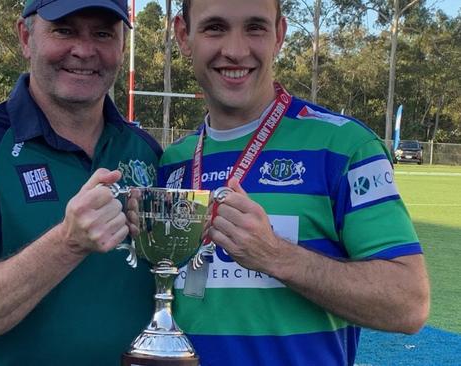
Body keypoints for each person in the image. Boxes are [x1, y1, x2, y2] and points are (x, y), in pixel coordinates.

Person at [157, 0, 431, 364]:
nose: (236, 50)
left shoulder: (344, 146)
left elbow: (408, 304)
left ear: (279, 35)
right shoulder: (173, 162)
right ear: (183, 36)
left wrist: (275, 256)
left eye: (255, 27)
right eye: (215, 27)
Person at [0, 0, 162, 365]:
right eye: (64, 30)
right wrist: (68, 243)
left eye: (103, 34)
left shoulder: (148, 152)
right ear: (26, 37)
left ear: (122, 45)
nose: (84, 50)